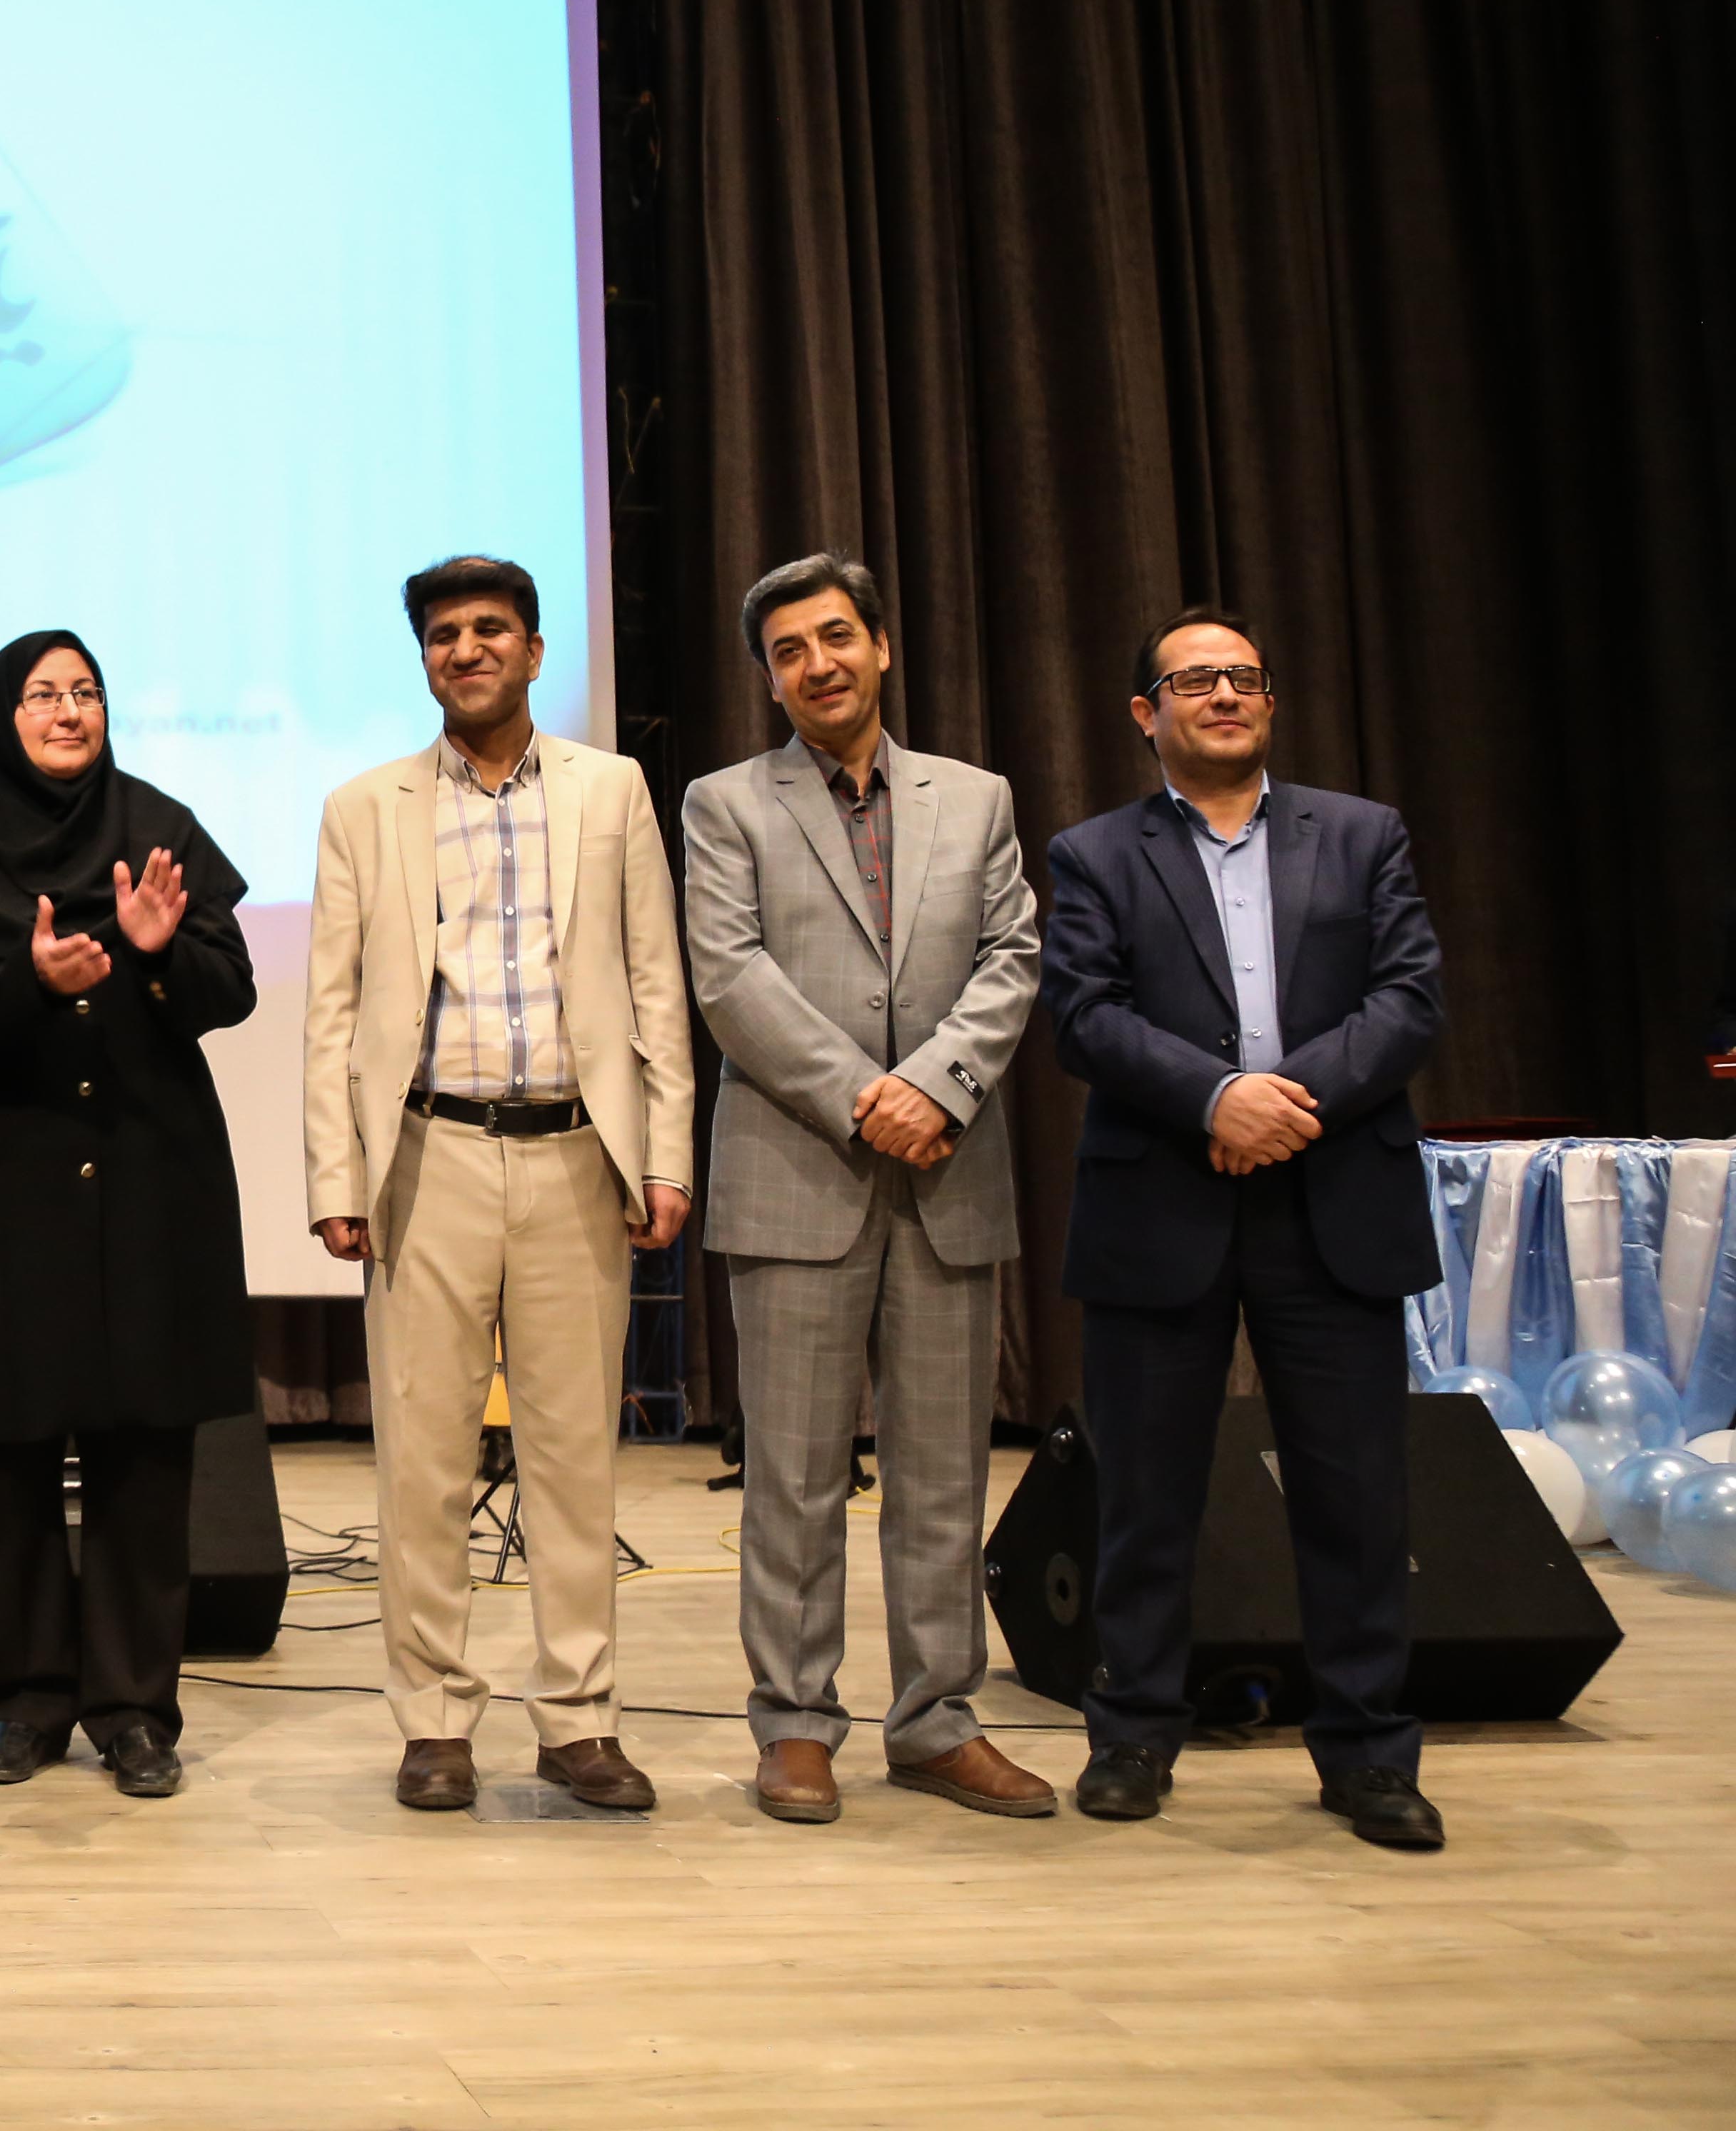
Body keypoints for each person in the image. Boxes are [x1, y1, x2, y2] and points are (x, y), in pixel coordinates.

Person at [1040, 608, 1448, 1850]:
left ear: (1267, 700)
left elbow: (1410, 997)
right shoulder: (1093, 853)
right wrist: (1216, 1098)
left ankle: (1369, 1753)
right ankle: (1131, 1735)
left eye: (1243, 677)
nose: (1223, 694)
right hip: (1162, 1196)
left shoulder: (1363, 832)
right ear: (1144, 712)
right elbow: (1082, 1013)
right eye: (1194, 680)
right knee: (1145, 1495)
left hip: (1332, 1198)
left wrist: (1281, 1104)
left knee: (1355, 1497)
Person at [303, 553, 693, 1815]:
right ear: (424, 659)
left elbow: (656, 984)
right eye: (443, 635)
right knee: (421, 1458)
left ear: (532, 648)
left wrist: (665, 1155)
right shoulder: (364, 806)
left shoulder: (609, 788)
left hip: (578, 1151)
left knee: (574, 1456)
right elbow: (332, 1012)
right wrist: (336, 1171)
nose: (465, 649)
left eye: (489, 629)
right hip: (429, 1156)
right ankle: (434, 1720)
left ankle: (578, 1720)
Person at [679, 555, 1052, 1826]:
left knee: (944, 1473)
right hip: (799, 1168)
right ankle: (794, 1723)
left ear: (881, 646)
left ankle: (938, 1723)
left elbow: (1012, 954)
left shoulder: (975, 798)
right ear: (768, 678)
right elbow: (729, 976)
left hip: (949, 1168)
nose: (816, 664)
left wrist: (935, 1087)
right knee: (791, 1475)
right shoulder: (725, 803)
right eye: (787, 651)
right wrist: (863, 1097)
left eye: (835, 637)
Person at [0, 632, 256, 1800]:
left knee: (145, 1456)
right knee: (7, 1457)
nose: (67, 710)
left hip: (147, 1170)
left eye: (85, 691)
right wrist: (28, 983)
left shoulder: (159, 823)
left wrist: (159, 953)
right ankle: (28, 1700)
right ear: (1, 715)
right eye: (43, 694)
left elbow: (231, 988)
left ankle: (136, 1711)